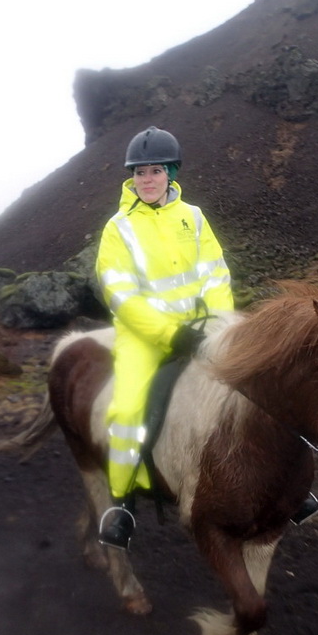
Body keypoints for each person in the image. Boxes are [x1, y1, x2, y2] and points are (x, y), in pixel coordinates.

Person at [95, 126, 234, 550]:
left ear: (170, 173)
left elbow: (215, 273)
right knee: (128, 409)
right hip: (145, 336)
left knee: (250, 382)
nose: (147, 179)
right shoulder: (117, 229)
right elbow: (122, 296)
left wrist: (219, 323)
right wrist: (169, 333)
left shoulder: (192, 217)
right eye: (140, 173)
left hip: (200, 327)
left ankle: (281, 483)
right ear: (131, 178)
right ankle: (122, 503)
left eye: (155, 171)